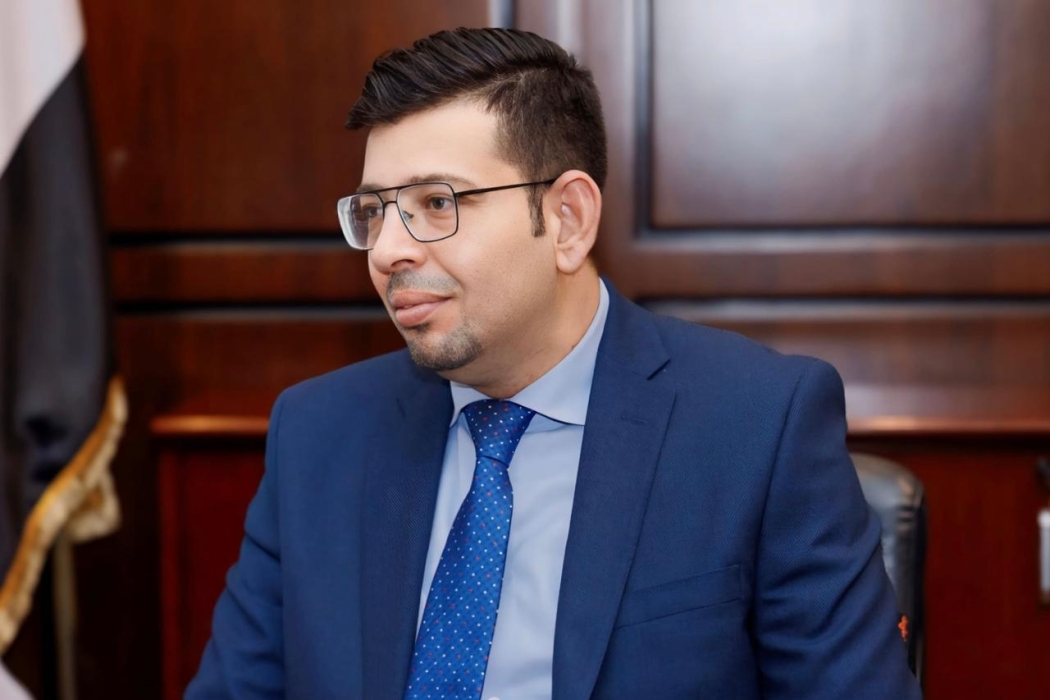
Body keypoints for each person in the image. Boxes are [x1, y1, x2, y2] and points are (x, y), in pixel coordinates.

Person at [187, 27, 922, 699]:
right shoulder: (318, 433)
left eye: (437, 203)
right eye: (375, 211)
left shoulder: (756, 426)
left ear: (568, 219)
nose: (388, 251)